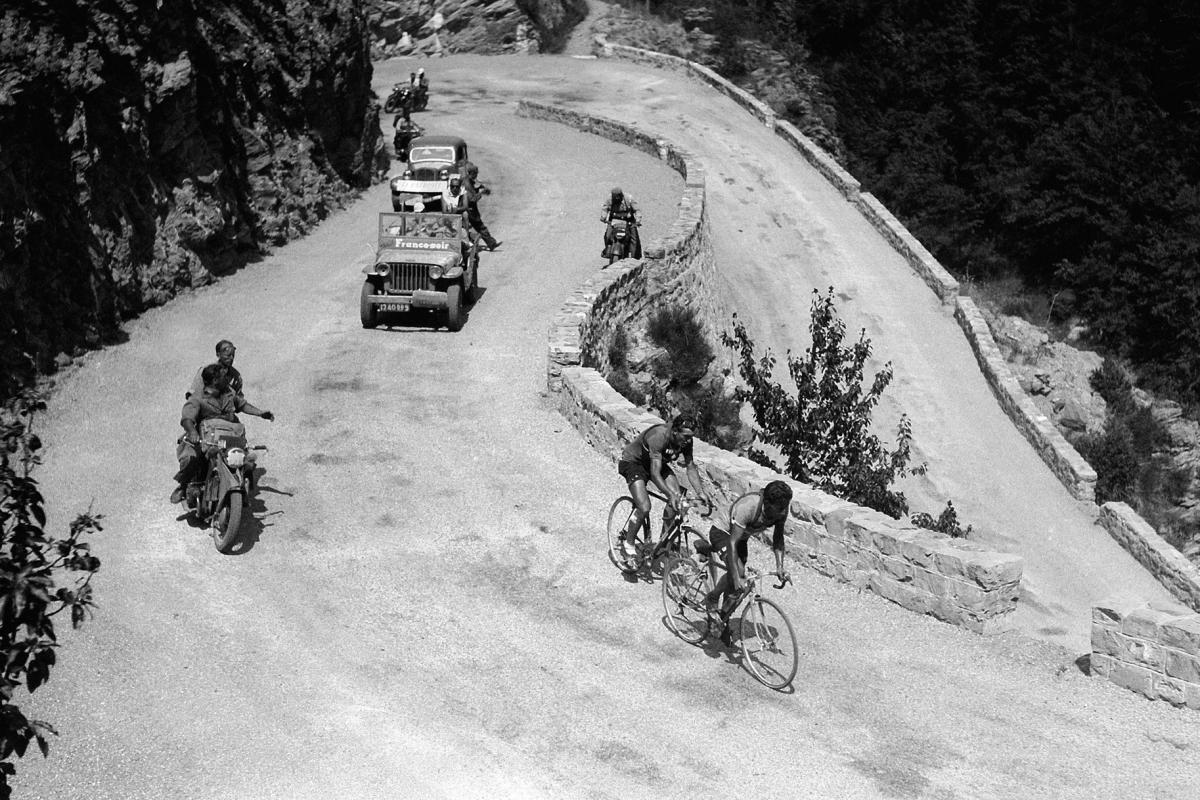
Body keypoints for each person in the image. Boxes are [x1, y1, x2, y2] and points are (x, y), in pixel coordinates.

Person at [702, 480, 793, 644]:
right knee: (738, 574)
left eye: (784, 508)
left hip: (741, 538)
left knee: (737, 588)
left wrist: (780, 568)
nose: (782, 512)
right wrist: (737, 577)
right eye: (778, 509)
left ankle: (721, 619)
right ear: (766, 502)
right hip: (723, 533)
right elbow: (732, 543)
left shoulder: (780, 510)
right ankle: (712, 598)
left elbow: (778, 540)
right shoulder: (749, 506)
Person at [615, 413, 713, 562]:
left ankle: (662, 543)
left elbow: (691, 467)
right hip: (634, 463)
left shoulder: (686, 441)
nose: (688, 441)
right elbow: (654, 474)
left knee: (678, 498)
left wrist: (701, 492)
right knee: (644, 507)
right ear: (675, 431)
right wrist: (669, 494)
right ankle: (628, 543)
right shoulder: (659, 436)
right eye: (685, 436)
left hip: (657, 463)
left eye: (690, 437)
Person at [171, 364, 274, 504]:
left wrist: (260, 413)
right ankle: (183, 487)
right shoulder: (198, 398)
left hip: (231, 437)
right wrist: (192, 432)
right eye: (223, 376)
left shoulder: (229, 393)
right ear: (214, 380)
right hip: (207, 438)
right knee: (191, 458)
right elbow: (187, 419)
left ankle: (242, 487)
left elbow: (242, 405)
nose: (227, 378)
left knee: (245, 460)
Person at [457, 158, 500, 250]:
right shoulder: (467, 184)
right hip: (468, 210)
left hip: (471, 210)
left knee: (479, 227)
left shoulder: (470, 181)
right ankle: (485, 243)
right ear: (471, 173)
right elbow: (472, 199)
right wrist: (481, 193)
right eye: (475, 174)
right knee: (478, 227)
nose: (476, 176)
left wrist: (482, 189)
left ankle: (491, 243)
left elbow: (478, 187)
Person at [601, 186, 641, 259]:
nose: (616, 198)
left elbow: (637, 210)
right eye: (615, 196)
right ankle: (608, 250)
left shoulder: (629, 198)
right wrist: (603, 217)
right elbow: (605, 208)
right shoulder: (609, 198)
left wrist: (638, 220)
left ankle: (634, 258)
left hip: (628, 221)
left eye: (618, 196)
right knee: (607, 236)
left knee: (634, 240)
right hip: (614, 220)